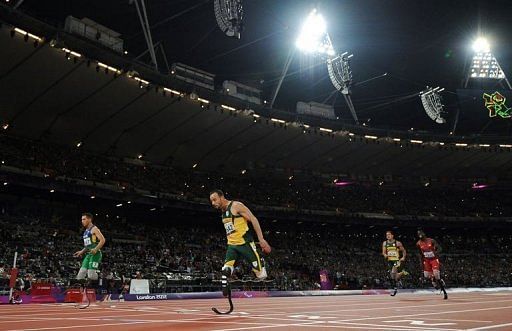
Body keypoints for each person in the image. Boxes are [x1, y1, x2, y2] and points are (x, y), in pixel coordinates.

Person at [209, 189, 270, 296]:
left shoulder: (236, 206)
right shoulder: (223, 212)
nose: (213, 203)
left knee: (261, 275)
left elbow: (253, 219)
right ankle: (225, 286)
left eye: (214, 200)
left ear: (222, 197)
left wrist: (261, 239)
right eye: (211, 201)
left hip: (245, 243)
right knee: (226, 269)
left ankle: (261, 261)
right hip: (232, 245)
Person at [73, 213, 106, 288]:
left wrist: (95, 249)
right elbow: (88, 246)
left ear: (89, 219)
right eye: (81, 219)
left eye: (84, 219)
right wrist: (81, 251)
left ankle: (101, 277)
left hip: (96, 254)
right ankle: (79, 290)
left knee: (91, 275)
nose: (82, 221)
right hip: (88, 254)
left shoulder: (94, 229)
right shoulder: (85, 232)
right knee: (80, 274)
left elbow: (103, 240)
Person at [416, 229, 447, 299]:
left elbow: (440, 248)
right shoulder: (418, 243)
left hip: (433, 260)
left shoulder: (431, 240)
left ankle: (444, 292)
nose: (420, 235)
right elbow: (420, 254)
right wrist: (421, 263)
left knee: (437, 275)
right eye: (418, 234)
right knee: (426, 276)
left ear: (424, 234)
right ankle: (433, 279)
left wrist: (436, 252)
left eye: (421, 233)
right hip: (426, 261)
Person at [382, 230, 408, 296]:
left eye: (389, 234)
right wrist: (385, 255)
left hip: (396, 260)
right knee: (394, 277)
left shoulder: (398, 243)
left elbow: (404, 251)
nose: (387, 236)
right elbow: (384, 252)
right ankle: (402, 272)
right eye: (386, 235)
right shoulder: (385, 243)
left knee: (393, 272)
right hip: (389, 261)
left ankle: (394, 289)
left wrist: (403, 257)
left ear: (392, 235)